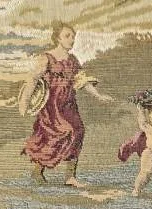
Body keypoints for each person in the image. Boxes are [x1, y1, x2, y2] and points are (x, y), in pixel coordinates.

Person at [19, 23, 113, 188]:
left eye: (73, 36)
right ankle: (37, 171)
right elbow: (33, 80)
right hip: (51, 105)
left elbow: (82, 81)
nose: (72, 40)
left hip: (69, 103)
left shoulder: (73, 60)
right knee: (54, 136)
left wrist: (98, 95)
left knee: (78, 131)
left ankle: (70, 177)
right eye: (67, 36)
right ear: (58, 38)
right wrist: (24, 101)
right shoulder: (47, 58)